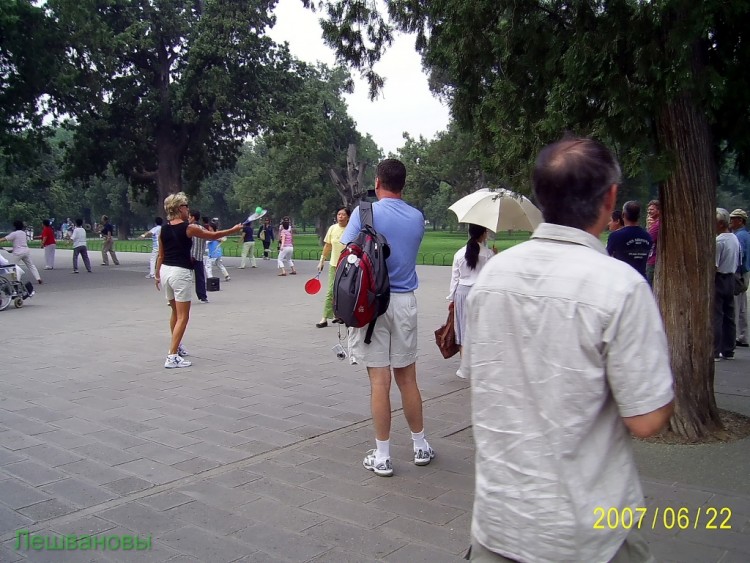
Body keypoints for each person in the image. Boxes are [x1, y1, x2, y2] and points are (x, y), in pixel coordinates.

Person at [464, 137, 674, 562]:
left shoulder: (492, 277)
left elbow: (481, 376)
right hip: (587, 531)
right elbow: (648, 419)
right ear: (610, 197)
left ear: (541, 198)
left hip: (498, 521)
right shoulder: (621, 287)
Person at [341, 158, 431, 478]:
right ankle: (420, 446)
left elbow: (348, 252)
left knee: (380, 381)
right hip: (405, 301)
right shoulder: (417, 217)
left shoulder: (365, 213)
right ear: (403, 184)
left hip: (372, 303)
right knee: (408, 378)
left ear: (378, 181)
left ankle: (382, 456)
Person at [155, 192, 241, 368]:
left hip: (166, 271)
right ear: (180, 208)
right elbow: (212, 236)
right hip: (180, 273)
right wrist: (233, 230)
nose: (188, 209)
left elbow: (161, 254)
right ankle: (172, 356)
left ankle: (176, 346)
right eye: (186, 206)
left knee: (174, 313)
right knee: (183, 316)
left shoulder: (163, 229)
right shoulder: (188, 228)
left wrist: (157, 274)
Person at [447, 224, 494, 378]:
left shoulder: (459, 253)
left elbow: (455, 278)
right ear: (483, 234)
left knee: (461, 328)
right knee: (480, 328)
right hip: (480, 293)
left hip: (462, 293)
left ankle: (465, 367)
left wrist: (451, 298)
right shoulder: (488, 254)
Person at [316, 207, 350, 327]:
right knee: (330, 291)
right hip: (334, 265)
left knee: (344, 292)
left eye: (343, 215)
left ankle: (341, 315)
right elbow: (327, 246)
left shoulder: (352, 230)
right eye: (338, 214)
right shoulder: (332, 228)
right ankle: (324, 318)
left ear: (348, 217)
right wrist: (322, 261)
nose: (340, 216)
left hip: (347, 266)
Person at [715, 208, 740, 361]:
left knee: (716, 315)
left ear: (720, 223)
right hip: (731, 277)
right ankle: (729, 349)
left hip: (720, 278)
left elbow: (715, 265)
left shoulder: (719, 242)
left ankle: (715, 349)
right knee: (729, 315)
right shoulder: (734, 239)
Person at [606, 200, 653, 278]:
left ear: (623, 215)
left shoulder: (615, 236)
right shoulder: (647, 236)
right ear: (639, 216)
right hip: (641, 280)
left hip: (622, 280)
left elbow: (606, 256)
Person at [730, 208, 749, 347]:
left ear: (740, 221)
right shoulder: (746, 235)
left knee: (735, 305)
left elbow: (739, 255)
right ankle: (743, 335)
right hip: (746, 272)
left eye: (733, 219)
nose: (731, 221)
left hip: (738, 272)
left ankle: (734, 336)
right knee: (742, 306)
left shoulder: (738, 236)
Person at [189, 210, 209, 303]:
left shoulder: (188, 228)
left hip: (188, 256)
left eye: (189, 216)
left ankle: (179, 297)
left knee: (184, 277)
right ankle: (202, 297)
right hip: (199, 256)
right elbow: (210, 237)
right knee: (200, 278)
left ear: (193, 217)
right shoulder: (203, 229)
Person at [645, 199, 660, 286]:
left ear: (659, 211)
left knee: (649, 287)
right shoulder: (654, 224)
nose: (649, 211)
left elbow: (648, 241)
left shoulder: (656, 225)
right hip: (651, 259)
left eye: (651, 209)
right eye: (648, 209)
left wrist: (649, 227)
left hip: (652, 261)